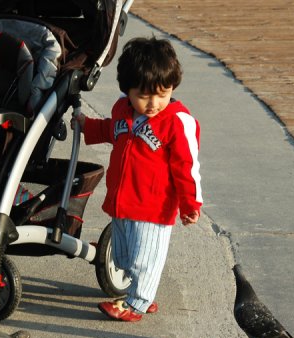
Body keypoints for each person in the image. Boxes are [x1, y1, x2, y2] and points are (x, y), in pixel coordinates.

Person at [72, 36, 203, 321]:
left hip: (154, 206)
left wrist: (190, 203)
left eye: (163, 93)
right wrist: (87, 127)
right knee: (122, 256)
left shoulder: (177, 122)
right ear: (127, 91)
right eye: (144, 96)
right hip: (122, 200)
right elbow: (112, 131)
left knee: (145, 259)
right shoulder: (122, 111)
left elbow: (187, 165)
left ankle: (137, 303)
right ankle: (142, 292)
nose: (154, 103)